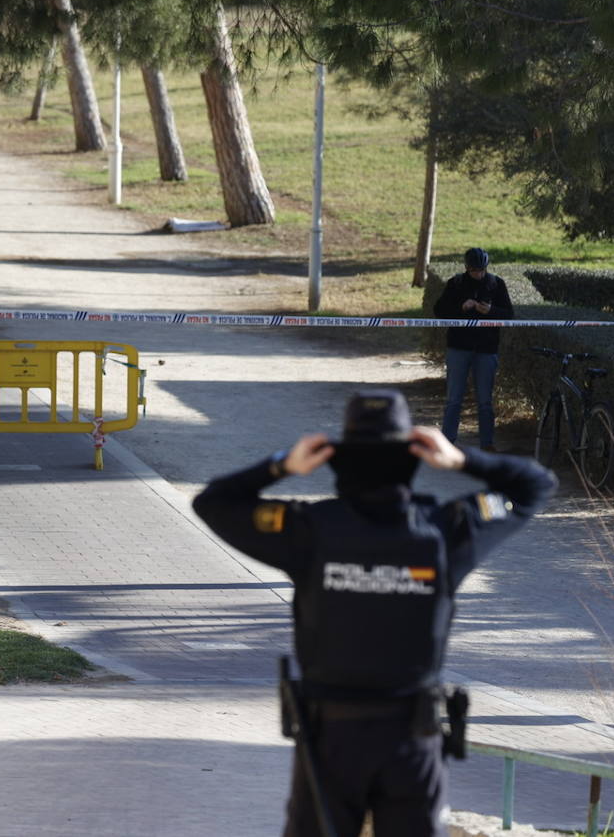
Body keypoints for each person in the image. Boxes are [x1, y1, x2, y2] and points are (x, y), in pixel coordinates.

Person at [192, 390, 556, 837]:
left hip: (330, 742)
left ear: (338, 460)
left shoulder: (309, 531)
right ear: (413, 456)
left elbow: (212, 502)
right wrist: (462, 460)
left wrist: (283, 463)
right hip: (412, 739)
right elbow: (536, 485)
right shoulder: (447, 531)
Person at [434, 247, 513, 451]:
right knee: (454, 398)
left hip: (486, 349)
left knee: (485, 400)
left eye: (481, 270)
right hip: (459, 347)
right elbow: (439, 311)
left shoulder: (496, 284)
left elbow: (509, 315)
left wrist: (491, 311)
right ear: (466, 268)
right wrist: (461, 308)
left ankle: (487, 443)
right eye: (474, 270)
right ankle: (447, 442)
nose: (478, 274)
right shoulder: (456, 283)